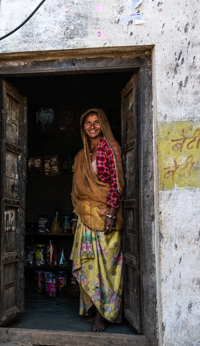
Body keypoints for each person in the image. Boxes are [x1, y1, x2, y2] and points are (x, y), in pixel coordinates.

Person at [70, 109, 124, 332]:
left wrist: (111, 212)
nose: (92, 126)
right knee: (89, 265)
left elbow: (116, 183)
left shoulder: (111, 149)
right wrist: (77, 216)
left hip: (105, 215)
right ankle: (92, 308)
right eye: (87, 123)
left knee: (107, 267)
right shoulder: (81, 154)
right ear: (83, 127)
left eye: (96, 122)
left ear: (103, 125)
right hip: (85, 215)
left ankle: (104, 314)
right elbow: (76, 190)